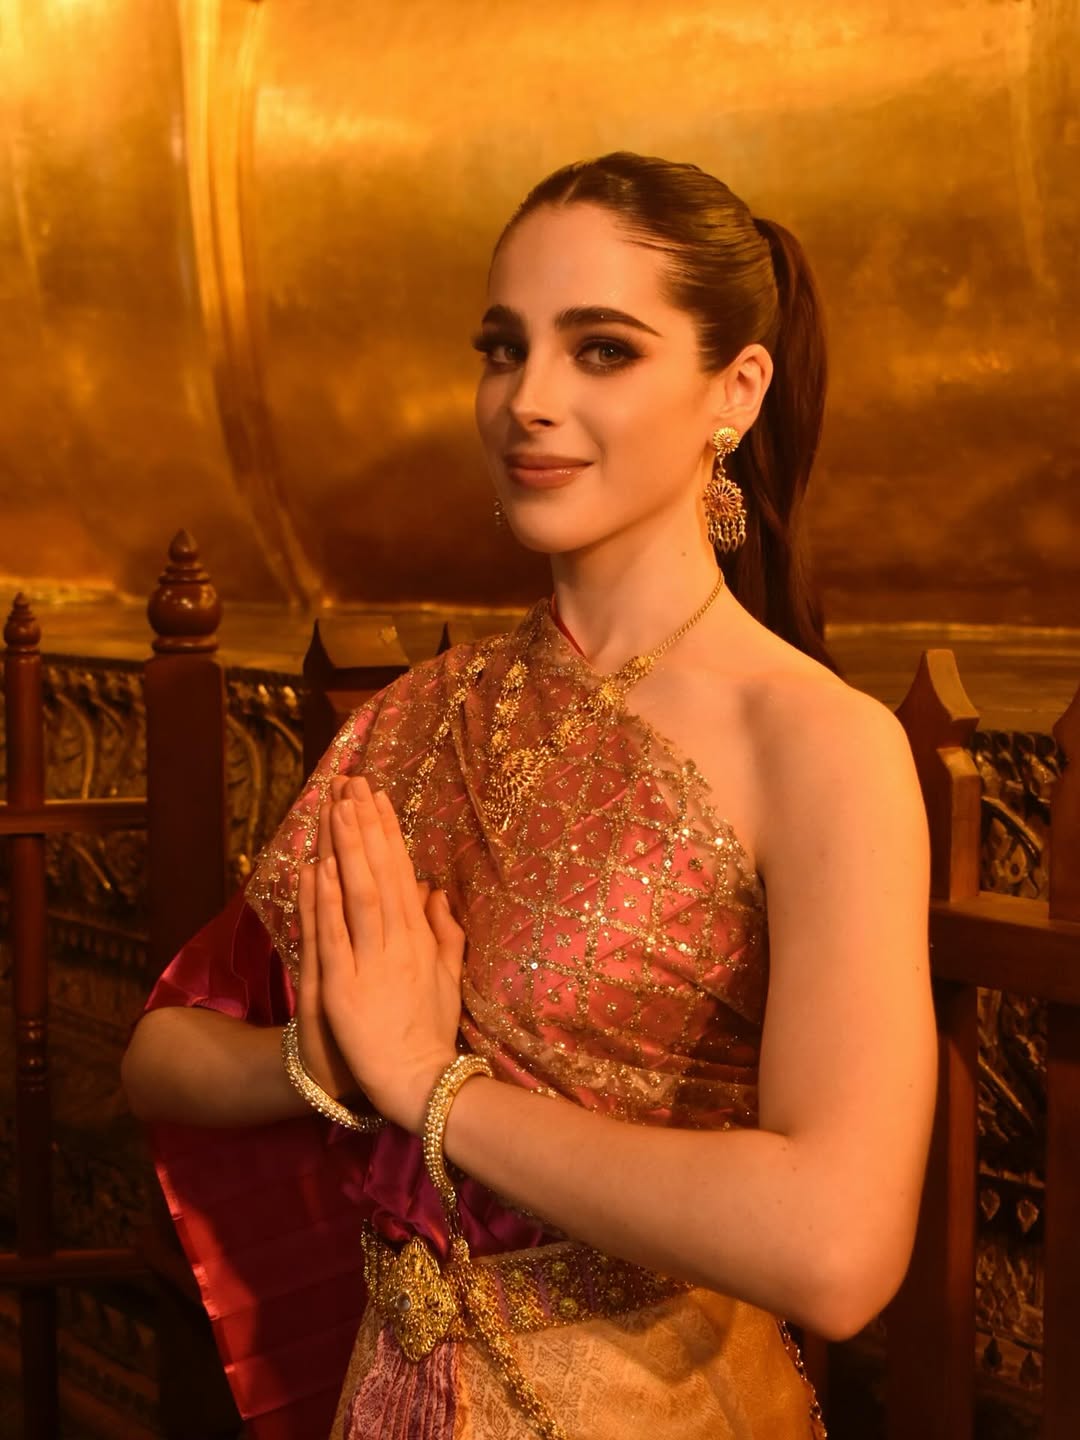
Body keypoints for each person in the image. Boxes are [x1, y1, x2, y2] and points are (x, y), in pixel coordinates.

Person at [122, 152, 936, 1440]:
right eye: (504, 350)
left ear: (736, 391)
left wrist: (431, 1089)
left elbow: (837, 1247)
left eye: (601, 350)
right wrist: (317, 1062)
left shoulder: (820, 746)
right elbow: (160, 1057)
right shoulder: (421, 716)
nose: (528, 400)